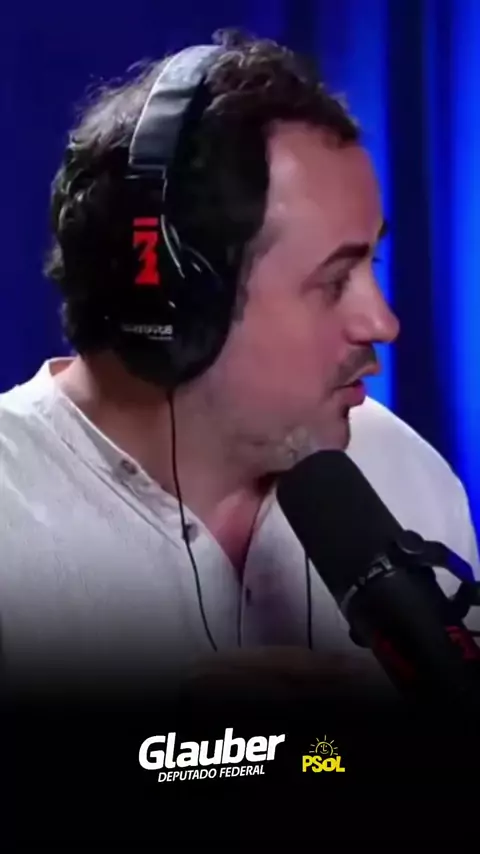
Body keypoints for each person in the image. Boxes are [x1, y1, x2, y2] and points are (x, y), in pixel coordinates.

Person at [0, 30, 478, 701]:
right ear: (175, 302)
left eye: (373, 262)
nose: (383, 323)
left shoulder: (407, 474)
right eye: (334, 281)